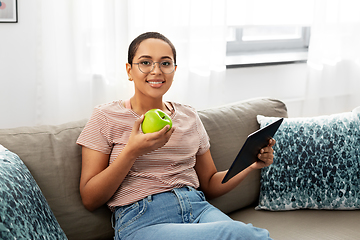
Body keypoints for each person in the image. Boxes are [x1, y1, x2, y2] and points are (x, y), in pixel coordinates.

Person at [77, 32, 276, 240]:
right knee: (241, 234)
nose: (156, 71)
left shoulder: (189, 116)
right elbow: (90, 199)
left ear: (174, 70)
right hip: (142, 220)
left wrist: (249, 164)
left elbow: (209, 183)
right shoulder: (105, 116)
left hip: (198, 209)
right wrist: (132, 151)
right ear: (129, 70)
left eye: (165, 63)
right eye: (145, 62)